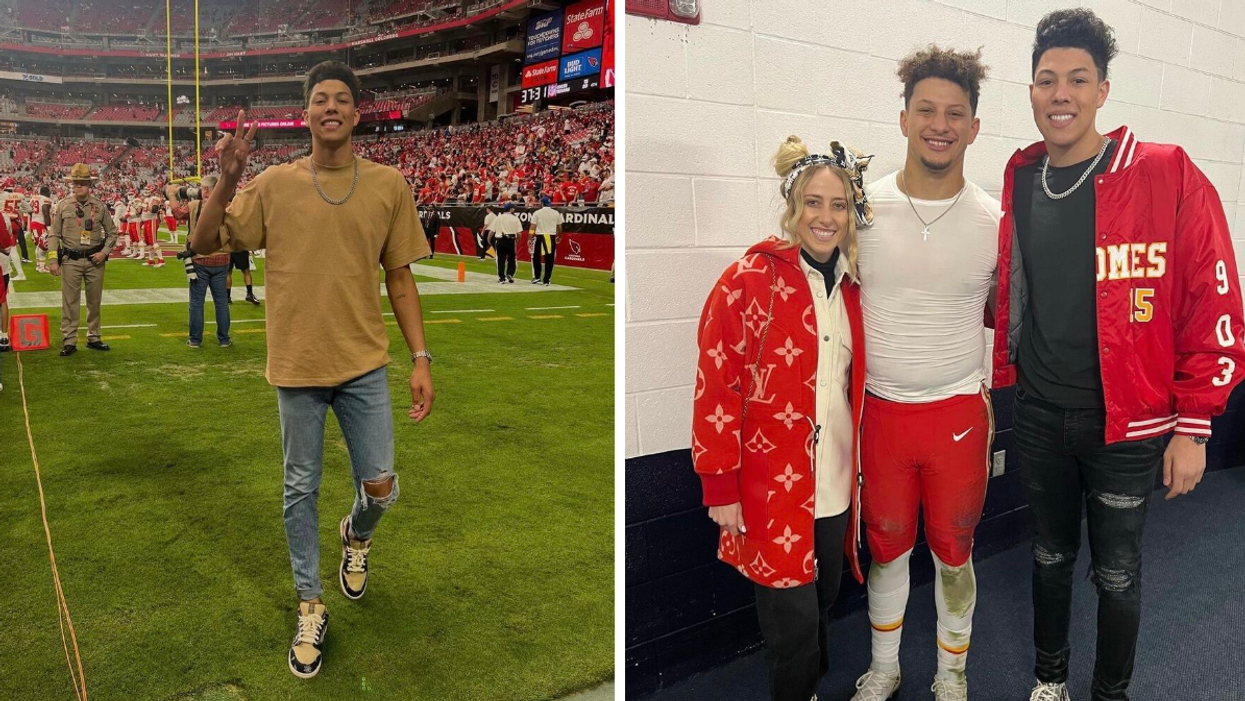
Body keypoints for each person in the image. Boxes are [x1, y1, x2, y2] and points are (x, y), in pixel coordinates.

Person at [993, 11, 1245, 701]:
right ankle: (1050, 680)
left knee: (1117, 573)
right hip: (1041, 412)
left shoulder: (1163, 172)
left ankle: (1110, 693)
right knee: (1047, 556)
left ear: (1102, 89)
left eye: (1077, 78)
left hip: (1127, 425)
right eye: (1046, 80)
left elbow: (1212, 300)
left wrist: (1194, 426)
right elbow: (1013, 292)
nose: (1060, 93)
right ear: (1031, 91)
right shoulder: (1021, 177)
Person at [191, 60, 435, 680]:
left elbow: (400, 279)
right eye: (320, 98)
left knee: (381, 483)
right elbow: (202, 243)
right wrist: (225, 181)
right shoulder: (273, 183)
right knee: (299, 489)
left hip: (364, 366)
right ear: (307, 113)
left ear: (356, 114)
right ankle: (310, 603)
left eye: (341, 99)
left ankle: (357, 533)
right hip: (296, 365)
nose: (331, 107)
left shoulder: (388, 184)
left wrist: (421, 359)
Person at [692, 135, 873, 701]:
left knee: (824, 597)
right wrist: (719, 483)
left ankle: (810, 688)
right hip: (771, 485)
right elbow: (715, 384)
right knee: (790, 619)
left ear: (851, 214)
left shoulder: (852, 289)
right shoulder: (746, 280)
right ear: (794, 207)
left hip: (836, 481)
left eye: (838, 205)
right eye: (814, 203)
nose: (825, 217)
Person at [849, 46, 999, 701]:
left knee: (953, 551)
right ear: (903, 118)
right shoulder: (859, 212)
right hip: (880, 413)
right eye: (926, 110)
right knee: (884, 547)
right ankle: (884, 666)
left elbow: (1020, 314)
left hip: (956, 415)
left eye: (954, 114)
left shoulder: (996, 222)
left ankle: (951, 671)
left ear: (972, 127)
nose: (939, 124)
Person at [47, 163, 118, 357]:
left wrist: (104, 252)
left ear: (89, 184)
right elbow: (54, 235)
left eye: (82, 183)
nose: (78, 187)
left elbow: (112, 233)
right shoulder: (63, 205)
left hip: (95, 260)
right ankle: (69, 340)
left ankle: (94, 337)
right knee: (70, 302)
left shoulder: (99, 206)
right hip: (71, 260)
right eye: (75, 183)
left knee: (94, 301)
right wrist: (53, 260)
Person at [182, 175, 231, 348]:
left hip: (200, 259)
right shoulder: (227, 206)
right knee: (222, 302)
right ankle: (224, 339)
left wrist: (172, 194)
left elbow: (176, 213)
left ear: (205, 190)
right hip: (222, 258)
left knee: (196, 302)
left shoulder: (196, 205)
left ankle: (195, 339)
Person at [529, 196, 563, 286]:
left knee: (536, 258)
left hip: (540, 236)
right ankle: (547, 279)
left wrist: (530, 237)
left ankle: (537, 277)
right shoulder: (556, 213)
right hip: (550, 236)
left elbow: (532, 227)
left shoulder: (537, 213)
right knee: (549, 259)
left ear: (542, 203)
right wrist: (559, 236)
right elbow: (559, 227)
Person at [490, 201, 522, 284]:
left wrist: (488, 239)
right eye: (513, 208)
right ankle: (510, 274)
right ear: (510, 209)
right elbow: (519, 233)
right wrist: (517, 240)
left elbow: (491, 231)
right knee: (511, 259)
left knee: (501, 260)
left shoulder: (498, 218)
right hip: (510, 239)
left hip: (500, 239)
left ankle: (501, 277)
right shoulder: (515, 218)